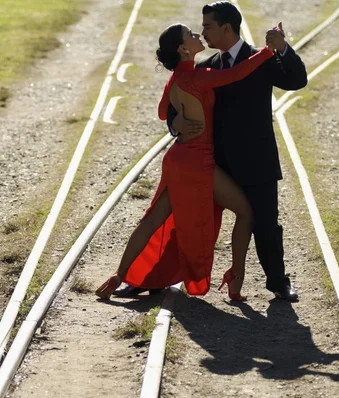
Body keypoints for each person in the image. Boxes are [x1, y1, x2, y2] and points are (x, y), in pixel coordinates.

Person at [117, 2, 307, 301]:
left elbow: (296, 81)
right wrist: (176, 122)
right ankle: (150, 278)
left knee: (266, 223)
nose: (202, 32)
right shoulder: (206, 66)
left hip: (256, 160)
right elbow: (171, 107)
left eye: (207, 26)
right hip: (213, 162)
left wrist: (282, 48)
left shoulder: (258, 57)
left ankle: (278, 282)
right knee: (182, 220)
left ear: (226, 28)